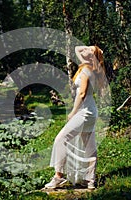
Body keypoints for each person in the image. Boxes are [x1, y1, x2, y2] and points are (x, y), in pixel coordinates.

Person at [44, 45, 105, 189]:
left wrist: (73, 112)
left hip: (84, 111)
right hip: (91, 110)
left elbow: (82, 94)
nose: (84, 50)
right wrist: (95, 51)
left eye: (89, 50)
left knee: (60, 139)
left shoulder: (86, 70)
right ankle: (90, 181)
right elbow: (77, 48)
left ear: (91, 56)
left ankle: (58, 177)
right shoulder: (94, 69)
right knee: (89, 145)